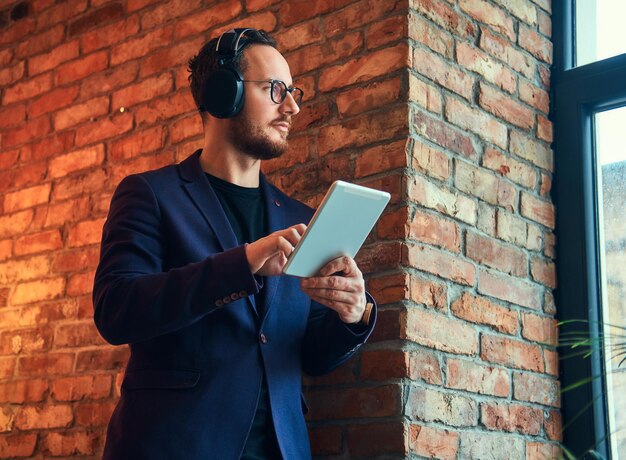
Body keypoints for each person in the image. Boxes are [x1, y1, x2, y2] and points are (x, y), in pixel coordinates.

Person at [92, 28, 376, 460]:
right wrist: (242, 263)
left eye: (293, 91)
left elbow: (310, 358)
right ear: (223, 93)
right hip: (174, 446)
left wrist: (352, 316)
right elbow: (117, 310)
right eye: (275, 89)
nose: (293, 106)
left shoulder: (298, 217)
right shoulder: (149, 194)